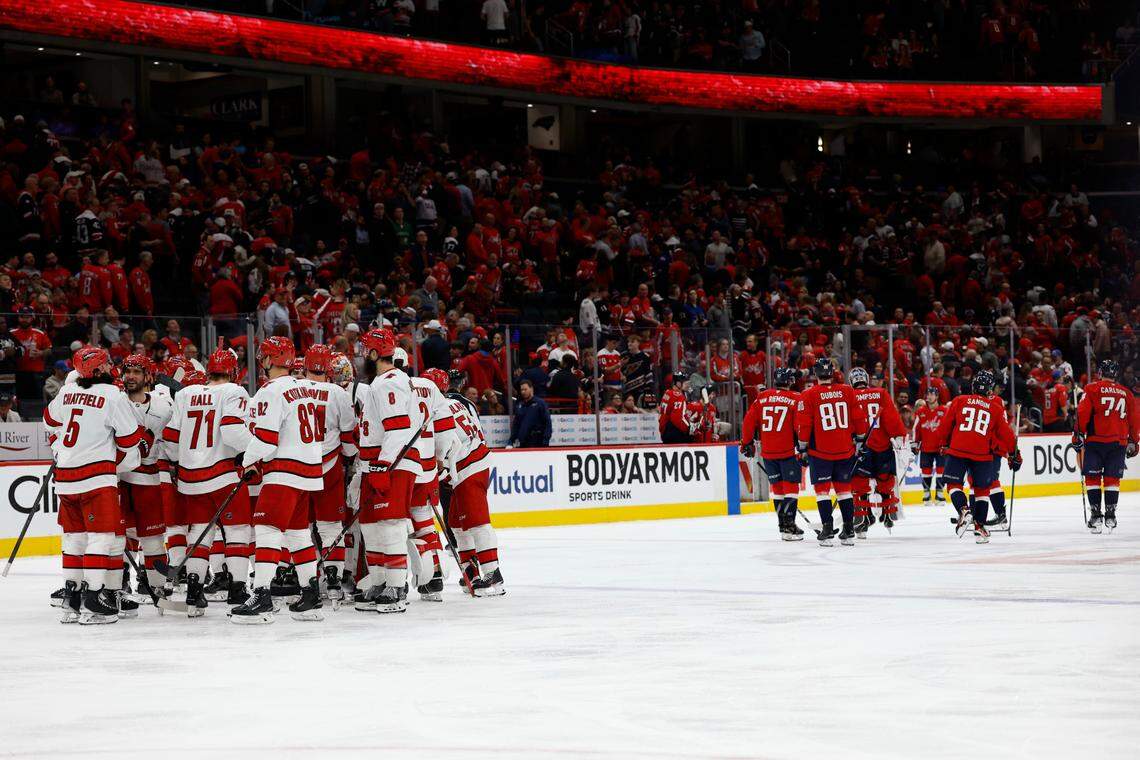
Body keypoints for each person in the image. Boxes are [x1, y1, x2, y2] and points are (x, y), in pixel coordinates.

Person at [43, 347, 149, 624]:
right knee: (101, 538)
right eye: (108, 364)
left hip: (65, 477)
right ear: (99, 369)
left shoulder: (66, 392)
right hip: (96, 477)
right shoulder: (112, 395)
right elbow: (128, 440)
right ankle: (94, 599)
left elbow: (49, 421)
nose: (112, 367)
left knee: (74, 538)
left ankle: (71, 599)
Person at [232, 337, 325, 623]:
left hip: (284, 471)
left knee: (267, 530)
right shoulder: (306, 387)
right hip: (309, 471)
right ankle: (311, 594)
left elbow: (267, 440)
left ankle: (261, 596)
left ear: (269, 360)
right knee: (297, 534)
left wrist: (246, 460)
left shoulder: (270, 391)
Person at [164, 348, 254, 615]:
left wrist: (180, 463)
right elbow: (232, 431)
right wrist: (254, 452)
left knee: (198, 533)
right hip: (224, 474)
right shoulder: (234, 391)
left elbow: (170, 437)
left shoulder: (185, 393)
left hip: (190, 479)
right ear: (233, 372)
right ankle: (237, 591)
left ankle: (194, 592)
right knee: (238, 532)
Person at [355, 328, 421, 613]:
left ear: (373, 354)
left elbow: (397, 428)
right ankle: (381, 581)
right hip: (375, 464)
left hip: (393, 464)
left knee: (390, 524)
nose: (361, 357)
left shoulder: (391, 381)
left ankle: (396, 586)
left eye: (364, 351)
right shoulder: (379, 382)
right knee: (370, 525)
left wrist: (383, 464)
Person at [425, 368, 504, 596]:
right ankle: (471, 569)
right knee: (457, 523)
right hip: (466, 465)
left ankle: (493, 573)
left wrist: (438, 471)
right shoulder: (457, 402)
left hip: (469, 465)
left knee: (478, 522)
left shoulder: (437, 408)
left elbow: (446, 442)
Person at [932, 371, 1019, 544]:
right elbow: (1007, 434)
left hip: (958, 449)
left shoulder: (959, 400)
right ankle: (980, 527)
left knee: (954, 485)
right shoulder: (995, 407)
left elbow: (946, 425)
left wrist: (942, 444)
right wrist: (1015, 454)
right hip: (983, 453)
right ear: (989, 390)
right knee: (982, 491)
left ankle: (964, 509)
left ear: (973, 386)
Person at [300, 345, 358, 599]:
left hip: (297, 467)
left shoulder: (293, 389)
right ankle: (333, 578)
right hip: (330, 465)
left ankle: (302, 578)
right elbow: (348, 435)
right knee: (330, 524)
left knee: (299, 526)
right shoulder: (337, 392)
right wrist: (348, 458)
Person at [795, 358, 868, 546]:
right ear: (832, 372)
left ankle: (827, 531)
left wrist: (802, 448)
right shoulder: (847, 391)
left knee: (822, 492)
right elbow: (860, 419)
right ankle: (849, 530)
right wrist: (860, 442)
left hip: (821, 452)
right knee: (844, 491)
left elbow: (804, 425)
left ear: (816, 373)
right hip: (845, 450)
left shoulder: (808, 395)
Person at [119, 354, 173, 599]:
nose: (130, 376)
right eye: (127, 371)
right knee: (117, 537)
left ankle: (156, 587)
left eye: (137, 372)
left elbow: (170, 444)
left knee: (152, 538)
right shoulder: (115, 402)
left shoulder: (163, 407)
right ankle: (117, 586)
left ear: (148, 376)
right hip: (119, 479)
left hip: (148, 480)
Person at [1073, 360, 1139, 533]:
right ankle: (1110, 516)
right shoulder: (1126, 393)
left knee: (1093, 478)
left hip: (1096, 441)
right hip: (1119, 442)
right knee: (1112, 480)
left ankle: (1096, 516)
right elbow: (1133, 420)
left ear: (1101, 372)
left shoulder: (1092, 389)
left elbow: (1082, 413)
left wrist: (1078, 434)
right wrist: (1134, 441)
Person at [741, 367, 803, 540]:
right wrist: (805, 446)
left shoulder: (762, 397)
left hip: (768, 451)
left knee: (777, 489)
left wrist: (747, 442)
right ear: (789, 381)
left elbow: (748, 421)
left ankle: (783, 527)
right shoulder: (795, 398)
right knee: (791, 488)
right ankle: (789, 527)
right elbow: (799, 426)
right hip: (788, 450)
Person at [849, 367, 907, 536]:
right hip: (882, 446)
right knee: (885, 479)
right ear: (866, 380)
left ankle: (861, 519)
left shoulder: (849, 396)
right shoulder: (880, 393)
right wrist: (898, 436)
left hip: (861, 447)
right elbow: (891, 418)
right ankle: (889, 510)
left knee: (859, 484)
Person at [912, 388, 947, 504]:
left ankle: (939, 494)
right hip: (926, 447)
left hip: (941, 447)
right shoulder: (921, 411)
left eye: (932, 394)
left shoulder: (944, 410)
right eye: (928, 394)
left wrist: (948, 443)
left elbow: (949, 428)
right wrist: (915, 443)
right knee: (926, 470)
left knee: (941, 470)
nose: (929, 396)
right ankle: (926, 494)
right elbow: (916, 429)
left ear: (937, 396)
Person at [510, 379, 551, 448]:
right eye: (521, 390)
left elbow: (547, 423)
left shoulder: (540, 403)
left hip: (538, 442)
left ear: (531, 389)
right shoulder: (520, 406)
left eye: (525, 389)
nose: (523, 392)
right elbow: (516, 425)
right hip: (523, 443)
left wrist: (545, 441)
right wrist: (511, 441)